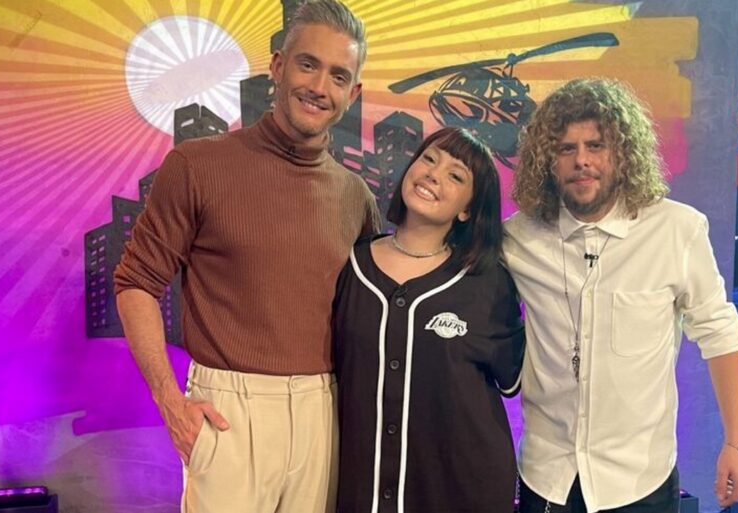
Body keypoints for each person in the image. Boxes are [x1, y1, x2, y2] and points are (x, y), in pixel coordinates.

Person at [113, 1, 377, 512]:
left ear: (353, 93)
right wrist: (170, 402)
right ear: (277, 66)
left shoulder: (357, 198)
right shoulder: (197, 165)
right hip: (227, 414)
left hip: (326, 414)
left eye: (338, 75)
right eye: (307, 64)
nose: (319, 87)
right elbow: (136, 283)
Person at [503, 77, 738, 513]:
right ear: (548, 161)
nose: (582, 160)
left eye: (596, 145)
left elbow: (721, 335)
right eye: (566, 148)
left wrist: (737, 443)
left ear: (622, 152)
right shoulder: (518, 237)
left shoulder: (677, 230)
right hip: (547, 475)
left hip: (640, 480)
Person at [332, 127, 525, 513]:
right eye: (429, 159)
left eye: (456, 176)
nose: (434, 175)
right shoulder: (351, 264)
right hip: (361, 491)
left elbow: (513, 379)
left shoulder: (487, 283)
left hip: (461, 493)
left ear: (467, 209)